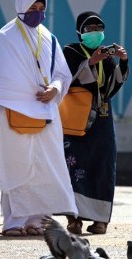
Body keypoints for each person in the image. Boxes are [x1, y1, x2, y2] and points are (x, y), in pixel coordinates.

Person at [0, 0, 78, 236]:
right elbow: (0, 74)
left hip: (46, 112)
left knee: (46, 166)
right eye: (32, 8)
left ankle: (38, 220)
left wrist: (54, 88)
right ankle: (13, 222)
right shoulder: (6, 36)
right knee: (17, 166)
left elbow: (62, 74)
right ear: (20, 6)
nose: (37, 13)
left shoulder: (49, 38)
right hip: (15, 110)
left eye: (41, 8)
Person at [62, 12, 129, 235]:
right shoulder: (70, 51)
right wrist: (90, 62)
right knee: (73, 167)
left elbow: (111, 88)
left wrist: (123, 61)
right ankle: (74, 220)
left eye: (98, 28)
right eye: (89, 29)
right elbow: (64, 79)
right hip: (77, 120)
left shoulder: (107, 57)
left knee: (103, 166)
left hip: (102, 120)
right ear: (80, 31)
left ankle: (101, 220)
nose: (94, 33)